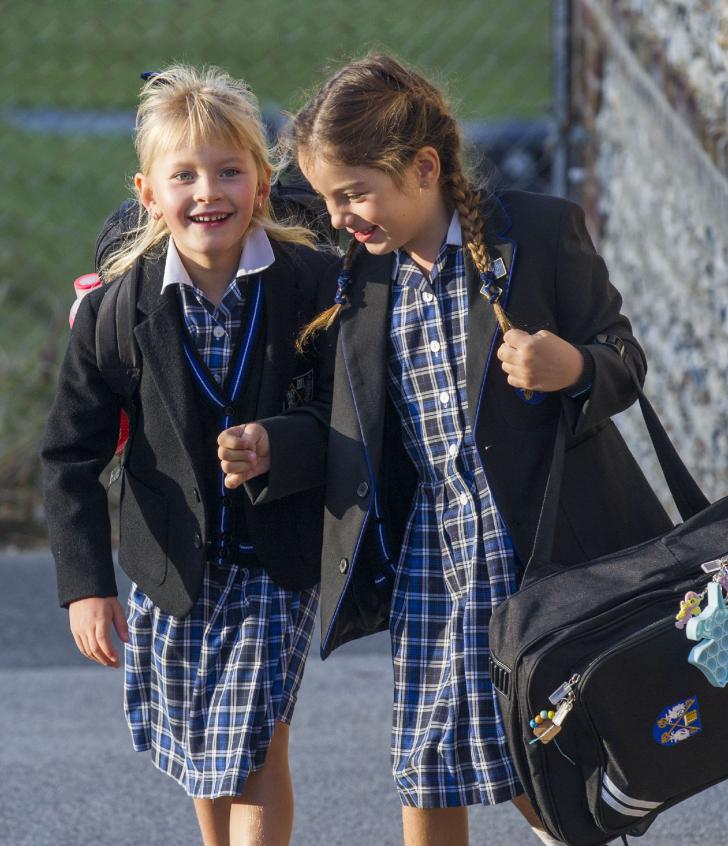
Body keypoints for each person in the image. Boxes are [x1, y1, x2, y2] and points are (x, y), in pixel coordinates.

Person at [217, 54, 674, 845]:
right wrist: (273, 449)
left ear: (424, 168)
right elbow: (341, 420)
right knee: (426, 764)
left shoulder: (533, 232)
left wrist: (571, 367)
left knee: (546, 759)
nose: (339, 218)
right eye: (328, 199)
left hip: (536, 550)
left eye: (354, 193)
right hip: (432, 557)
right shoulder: (360, 277)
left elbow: (621, 358)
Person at [41, 65, 336, 846]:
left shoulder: (311, 285)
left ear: (263, 184)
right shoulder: (115, 313)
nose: (210, 193)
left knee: (256, 740)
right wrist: (85, 587)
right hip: (171, 561)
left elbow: (351, 409)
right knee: (203, 745)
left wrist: (284, 443)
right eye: (186, 176)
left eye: (230, 172)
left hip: (278, 559)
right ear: (149, 193)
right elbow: (71, 454)